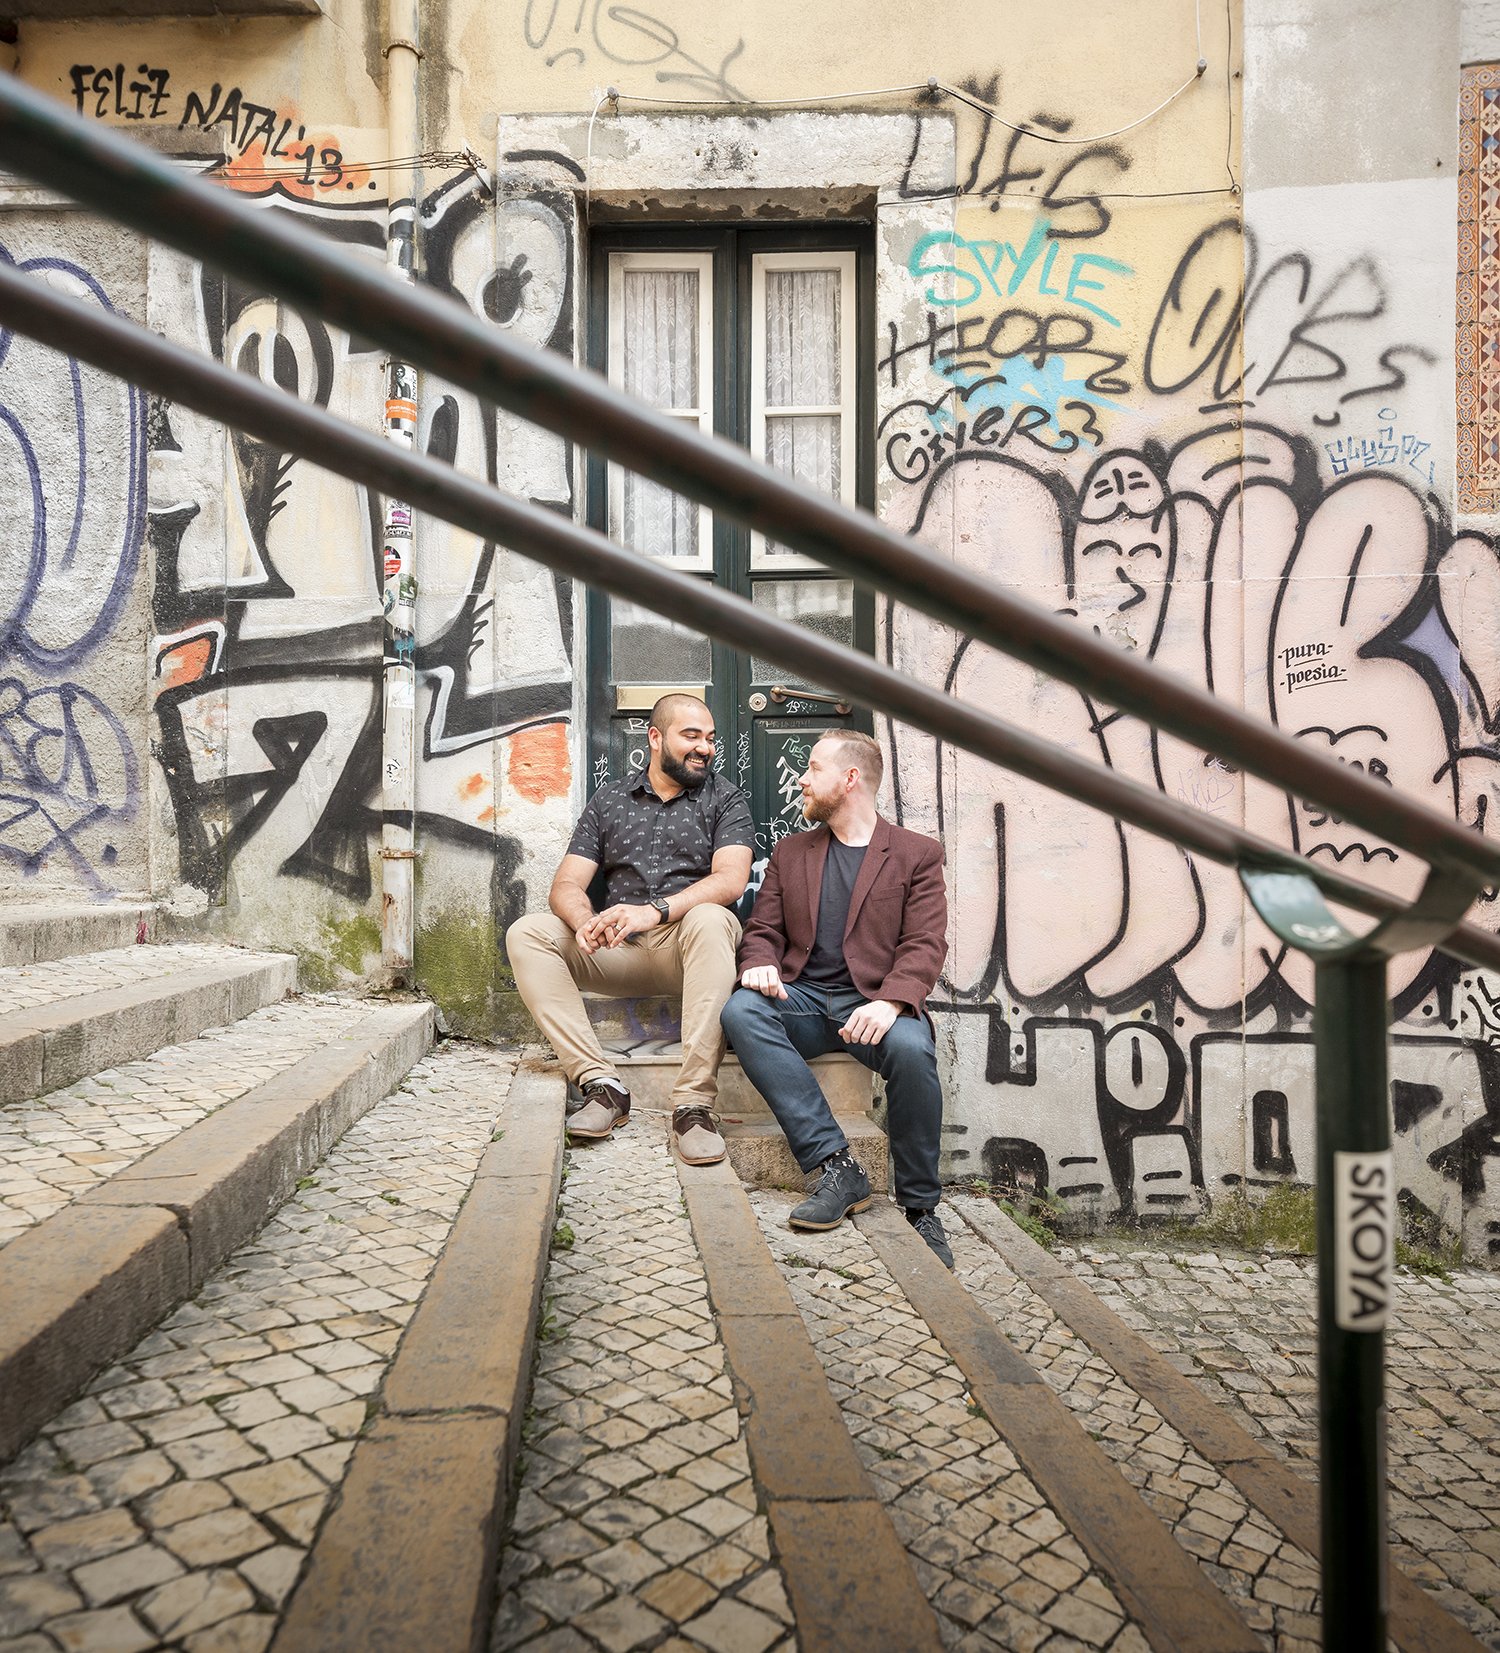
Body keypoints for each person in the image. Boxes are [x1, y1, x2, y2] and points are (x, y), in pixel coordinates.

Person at [721, 729, 953, 1266]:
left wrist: (892, 1003)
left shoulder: (916, 854)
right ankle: (836, 1167)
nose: (801, 779)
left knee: (914, 1051)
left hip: (872, 1005)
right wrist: (758, 964)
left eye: (814, 768)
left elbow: (924, 942)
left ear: (850, 780)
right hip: (802, 999)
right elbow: (764, 930)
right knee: (742, 1010)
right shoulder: (792, 850)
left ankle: (920, 1208)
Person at [506, 694, 752, 1163]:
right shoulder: (611, 798)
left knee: (711, 916)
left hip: (689, 949)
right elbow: (566, 884)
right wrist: (584, 922)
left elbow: (731, 880)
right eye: (692, 736)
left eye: (711, 738)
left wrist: (655, 911)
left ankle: (694, 1106)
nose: (705, 748)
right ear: (655, 738)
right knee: (529, 932)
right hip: (619, 950)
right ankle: (601, 1084)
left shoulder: (726, 798)